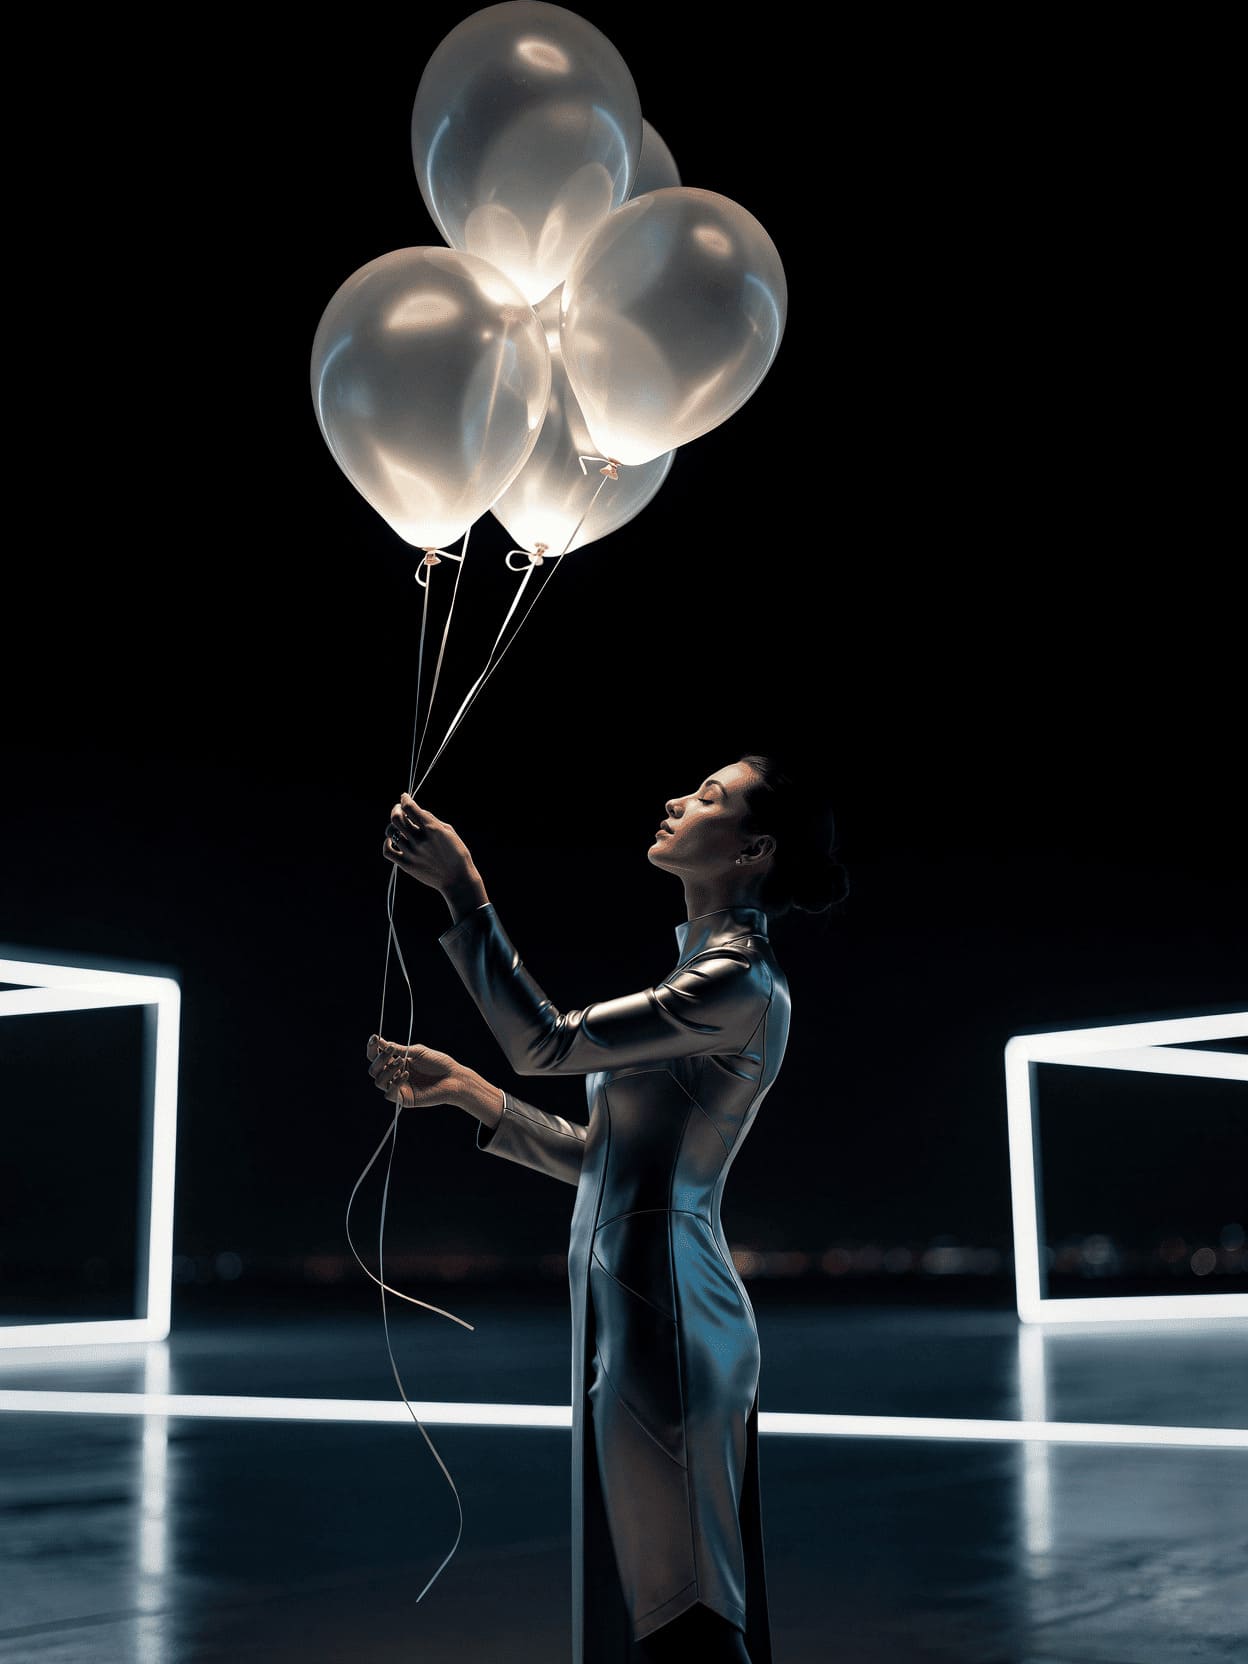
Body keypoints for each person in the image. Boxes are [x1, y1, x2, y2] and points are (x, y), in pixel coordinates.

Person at [366, 752, 848, 1663]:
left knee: (685, 1616)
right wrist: (472, 1092)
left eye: (708, 796)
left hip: (666, 1317)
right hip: (645, 1311)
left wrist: (464, 890)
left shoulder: (737, 980)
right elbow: (602, 1161)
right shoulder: (706, 975)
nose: (677, 798)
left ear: (753, 849)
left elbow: (544, 1042)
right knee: (659, 1604)